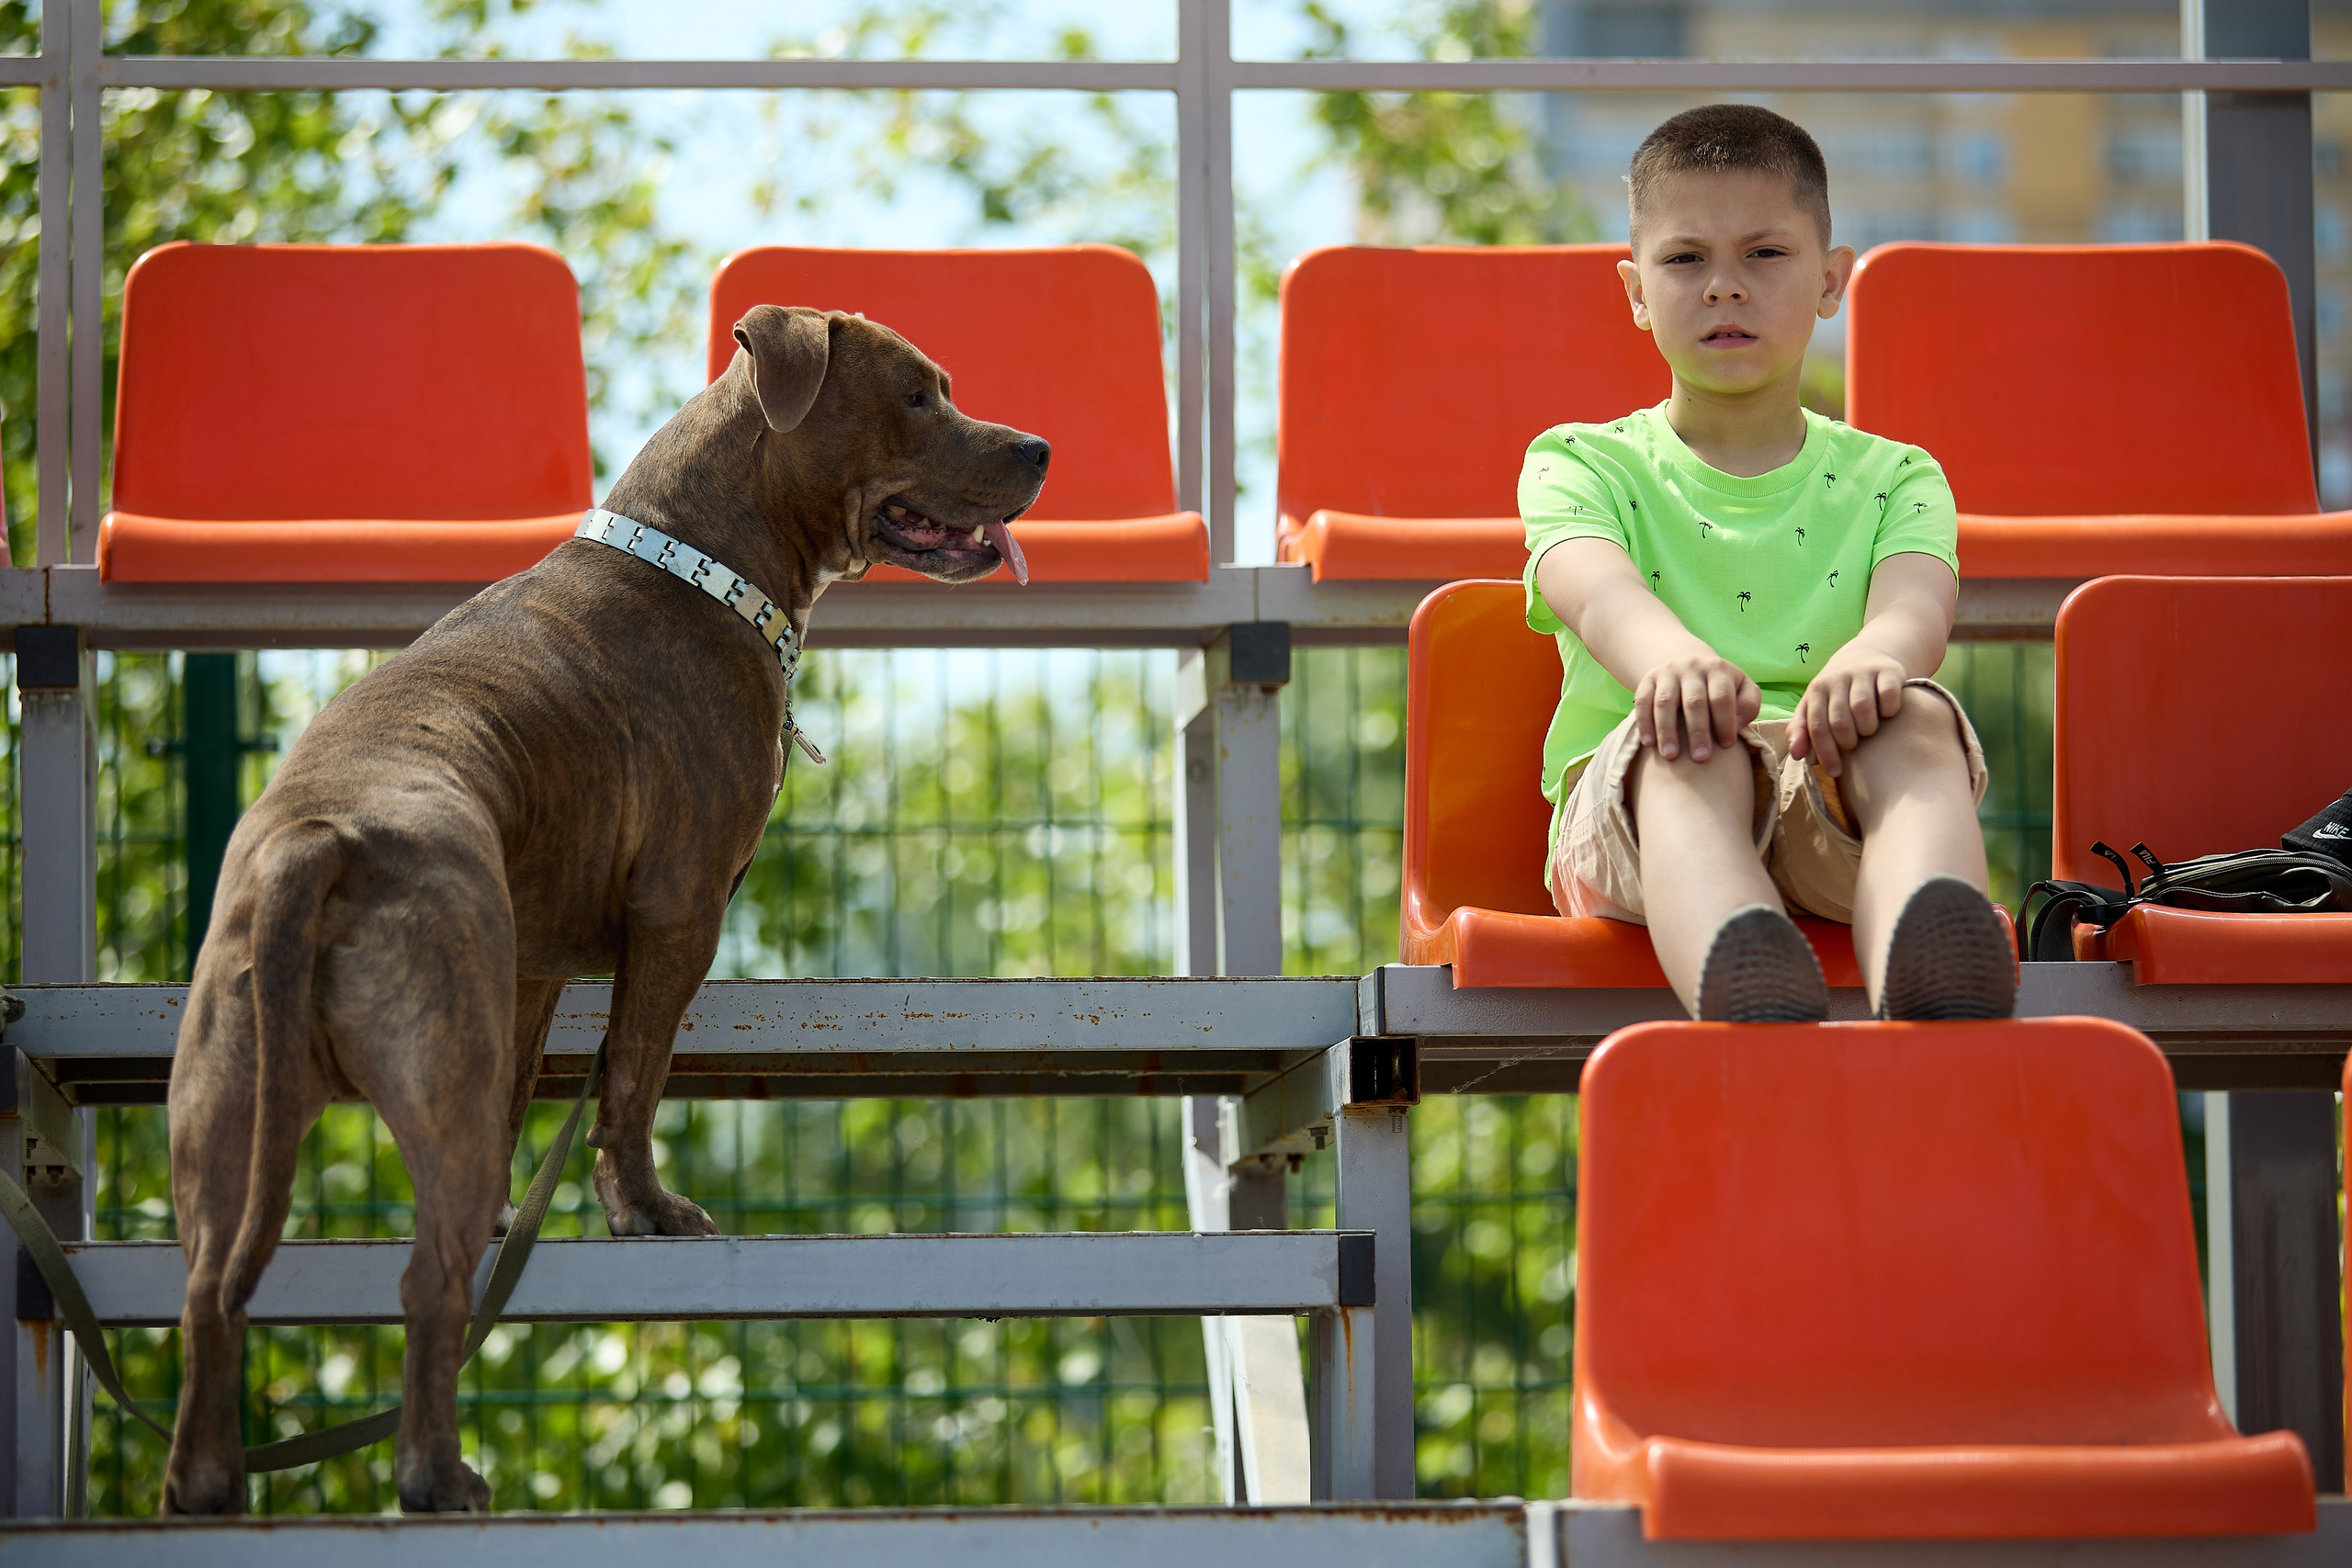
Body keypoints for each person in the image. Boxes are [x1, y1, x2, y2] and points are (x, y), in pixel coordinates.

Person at [1521, 103, 2013, 1022]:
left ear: (1831, 280)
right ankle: (1741, 974)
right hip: (1641, 819)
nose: (1724, 287)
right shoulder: (1578, 461)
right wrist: (1670, 661)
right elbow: (1597, 591)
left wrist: (1878, 659)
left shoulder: (1897, 474)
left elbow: (1916, 608)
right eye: (1684, 259)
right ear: (1633, 291)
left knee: (1911, 718)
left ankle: (1929, 950)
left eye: (1764, 254)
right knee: (1689, 745)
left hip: (1826, 791)